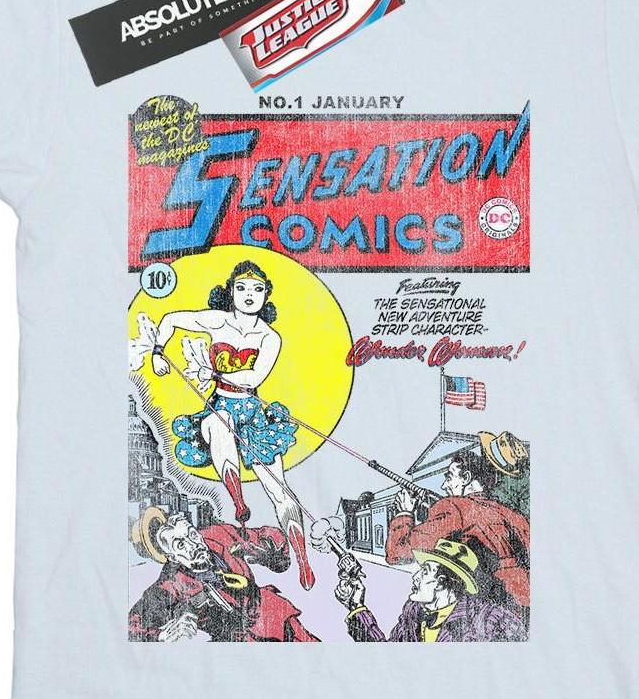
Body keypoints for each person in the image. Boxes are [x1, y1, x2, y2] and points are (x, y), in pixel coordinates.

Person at [130, 258, 315, 591]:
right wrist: (158, 351)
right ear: (230, 292)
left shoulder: (269, 337)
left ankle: (302, 559)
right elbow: (171, 319)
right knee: (219, 423)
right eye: (241, 288)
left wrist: (211, 372)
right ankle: (239, 502)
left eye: (257, 289)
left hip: (254, 415)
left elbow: (254, 377)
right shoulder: (217, 321)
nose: (249, 294)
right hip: (219, 408)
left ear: (266, 295)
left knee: (280, 491)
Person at [127, 507, 316, 643]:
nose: (194, 545)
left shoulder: (218, 533)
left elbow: (271, 537)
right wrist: (163, 635)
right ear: (172, 557)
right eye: (181, 545)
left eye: (192, 535)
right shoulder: (170, 584)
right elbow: (131, 627)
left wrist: (260, 550)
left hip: (274, 614)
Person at [386, 448, 531, 617]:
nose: (444, 486)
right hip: (523, 602)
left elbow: (397, 553)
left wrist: (404, 513)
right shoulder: (514, 515)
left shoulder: (453, 506)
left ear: (466, 478)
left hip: (487, 606)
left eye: (449, 477)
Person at [334, 537, 526, 643]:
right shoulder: (413, 611)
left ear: (442, 582)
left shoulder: (490, 619)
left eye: (425, 571)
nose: (415, 576)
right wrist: (356, 606)